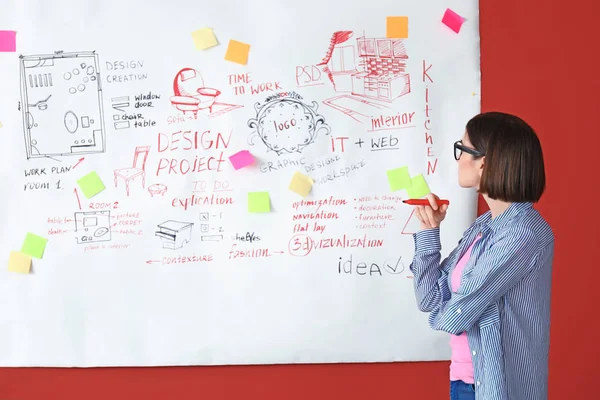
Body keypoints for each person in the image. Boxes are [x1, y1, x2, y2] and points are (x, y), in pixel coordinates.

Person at [408, 112, 554, 400]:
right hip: (465, 380)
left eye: (462, 149)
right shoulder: (484, 227)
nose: (458, 158)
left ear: (483, 162)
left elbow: (454, 317)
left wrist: (449, 305)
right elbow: (429, 299)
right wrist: (429, 230)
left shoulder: (521, 234)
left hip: (495, 387)